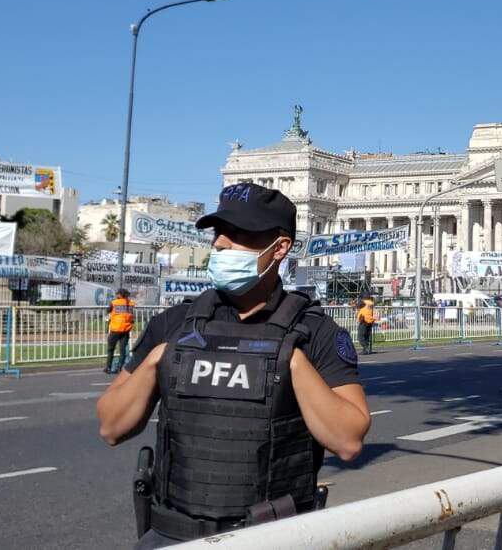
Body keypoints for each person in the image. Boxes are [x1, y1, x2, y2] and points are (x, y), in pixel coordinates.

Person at [97, 183, 369, 548]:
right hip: (174, 536)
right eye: (218, 233)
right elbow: (111, 427)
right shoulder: (175, 324)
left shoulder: (314, 332)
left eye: (238, 234)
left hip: (272, 538)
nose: (220, 244)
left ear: (280, 247)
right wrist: (157, 360)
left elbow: (348, 441)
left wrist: (290, 361)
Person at [104, 288, 136, 374]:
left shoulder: (114, 303)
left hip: (115, 329)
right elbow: (131, 316)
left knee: (111, 349)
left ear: (120, 295)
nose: (116, 295)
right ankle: (119, 368)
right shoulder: (131, 304)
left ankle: (108, 367)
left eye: (117, 294)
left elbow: (107, 311)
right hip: (126, 330)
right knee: (122, 351)